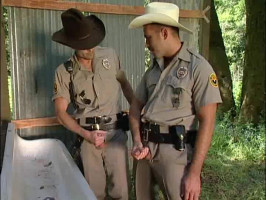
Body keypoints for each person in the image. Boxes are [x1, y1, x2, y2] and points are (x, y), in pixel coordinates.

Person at [128, 2, 222, 200]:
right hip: (145, 151)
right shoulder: (152, 70)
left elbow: (208, 121)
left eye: (148, 38)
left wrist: (194, 174)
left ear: (164, 33)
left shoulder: (198, 68)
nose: (146, 44)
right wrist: (136, 140)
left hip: (175, 155)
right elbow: (135, 107)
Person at [52, 8, 134, 200]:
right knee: (92, 193)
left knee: (121, 192)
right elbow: (61, 114)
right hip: (88, 139)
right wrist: (86, 135)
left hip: (115, 134)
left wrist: (139, 111)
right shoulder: (64, 72)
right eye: (84, 45)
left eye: (92, 43)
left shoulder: (110, 56)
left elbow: (126, 86)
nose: (90, 49)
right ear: (72, 44)